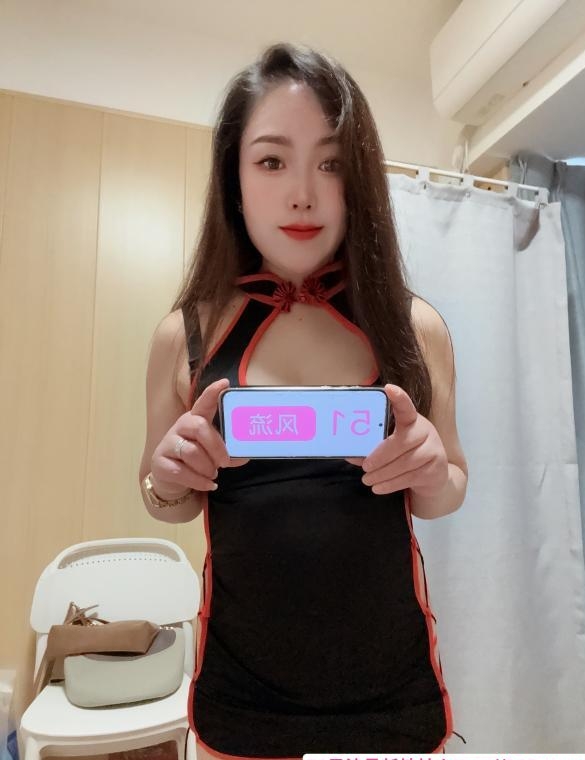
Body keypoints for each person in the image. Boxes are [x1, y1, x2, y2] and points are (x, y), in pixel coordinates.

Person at [139, 42, 468, 759]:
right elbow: (165, 499)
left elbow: (448, 490)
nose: (302, 194)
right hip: (240, 701)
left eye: (331, 163)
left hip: (394, 701)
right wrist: (167, 478)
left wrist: (430, 471)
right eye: (271, 161)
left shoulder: (415, 328)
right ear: (233, 179)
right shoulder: (183, 336)